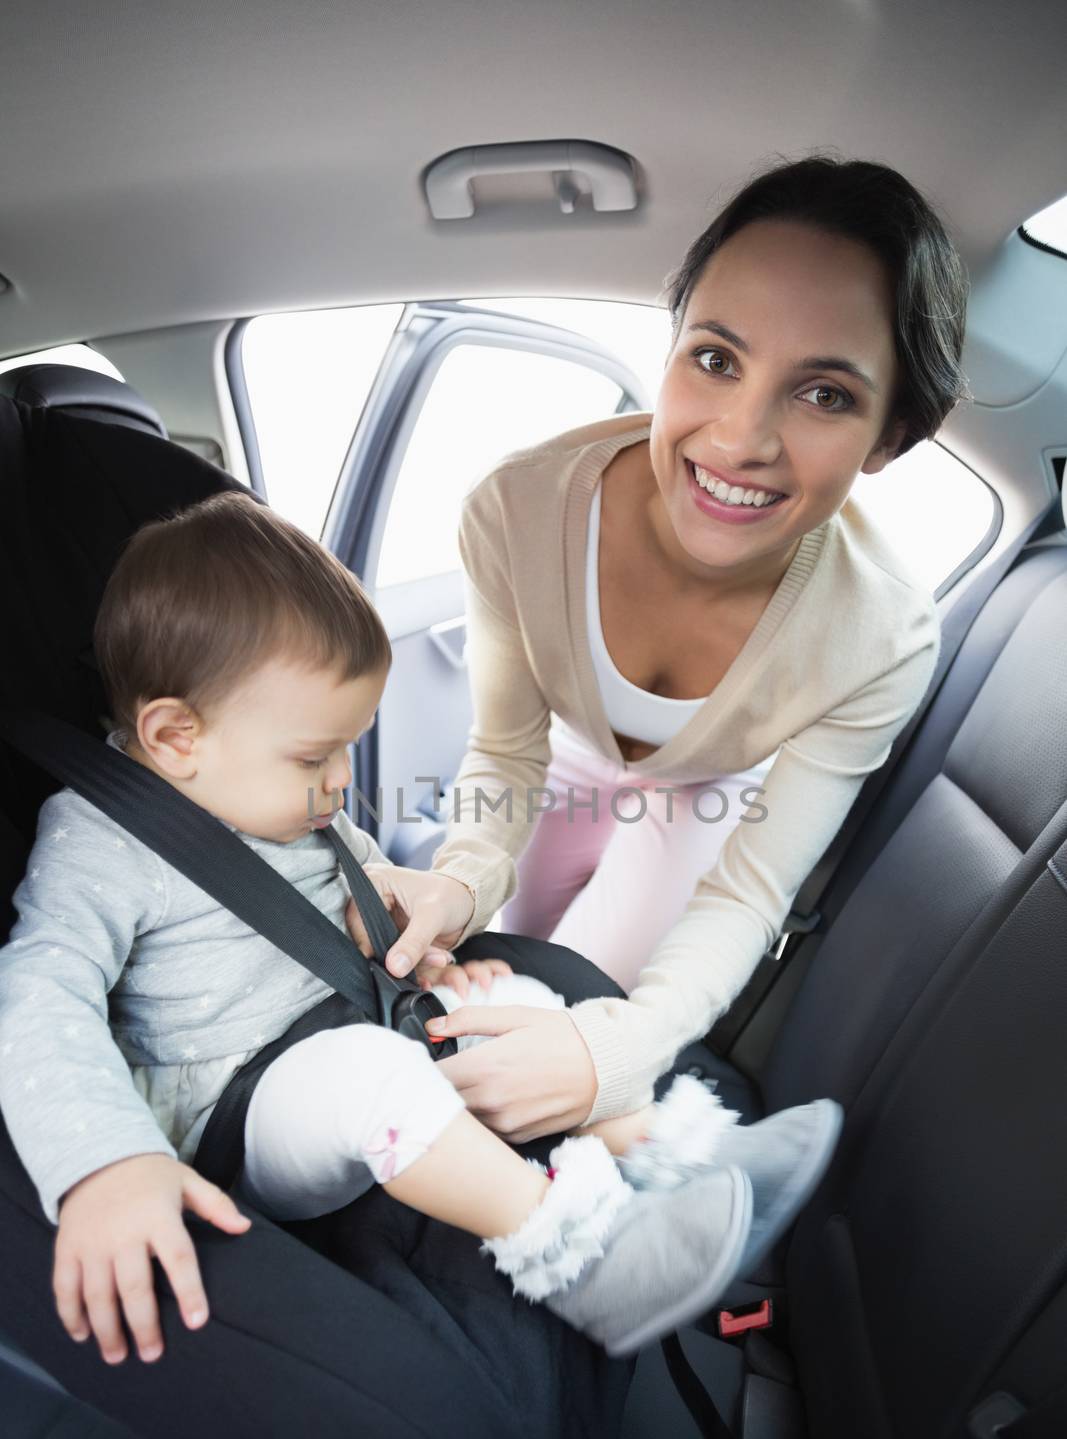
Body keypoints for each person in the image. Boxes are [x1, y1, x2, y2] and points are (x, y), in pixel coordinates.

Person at [0, 491, 841, 1371]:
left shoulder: (272, 792)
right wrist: (105, 1163)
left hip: (352, 1019)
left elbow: (356, 892)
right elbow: (40, 996)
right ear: (176, 736)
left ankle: (674, 1156)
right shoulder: (103, 842)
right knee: (371, 1077)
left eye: (350, 748)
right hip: (239, 1114)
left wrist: (425, 965)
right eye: (314, 756)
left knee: (517, 999)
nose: (337, 783)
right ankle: (590, 1260)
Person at [348, 154, 969, 1142]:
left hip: (700, 801)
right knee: (482, 949)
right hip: (553, 768)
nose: (739, 438)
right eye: (715, 359)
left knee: (582, 1006)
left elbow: (750, 887)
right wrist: (459, 878)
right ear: (671, 346)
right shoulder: (515, 510)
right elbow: (506, 753)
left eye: (823, 395)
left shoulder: (880, 636)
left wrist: (618, 1053)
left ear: (887, 437)